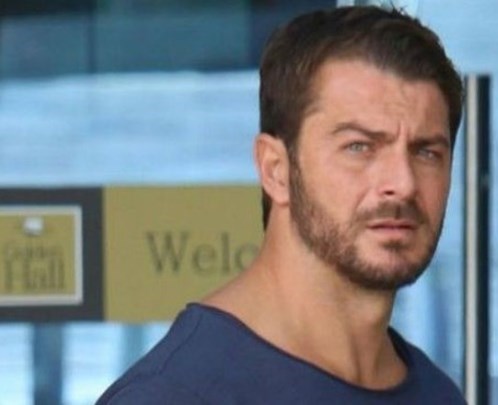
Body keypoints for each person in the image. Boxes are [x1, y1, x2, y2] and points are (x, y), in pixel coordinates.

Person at [98, 5, 464, 404]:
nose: (403, 184)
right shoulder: (172, 395)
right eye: (359, 147)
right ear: (276, 170)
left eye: (427, 152)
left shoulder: (437, 393)